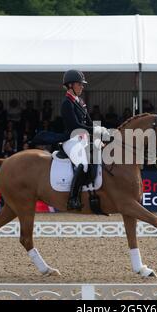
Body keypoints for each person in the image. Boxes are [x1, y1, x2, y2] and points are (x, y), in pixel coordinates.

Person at [60, 69, 109, 210]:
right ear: (70, 85)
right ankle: (73, 198)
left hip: (83, 139)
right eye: (79, 84)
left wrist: (100, 132)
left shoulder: (79, 102)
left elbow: (87, 123)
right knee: (84, 163)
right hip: (71, 140)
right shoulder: (66, 103)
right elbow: (74, 126)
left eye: (82, 84)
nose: (82, 87)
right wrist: (94, 130)